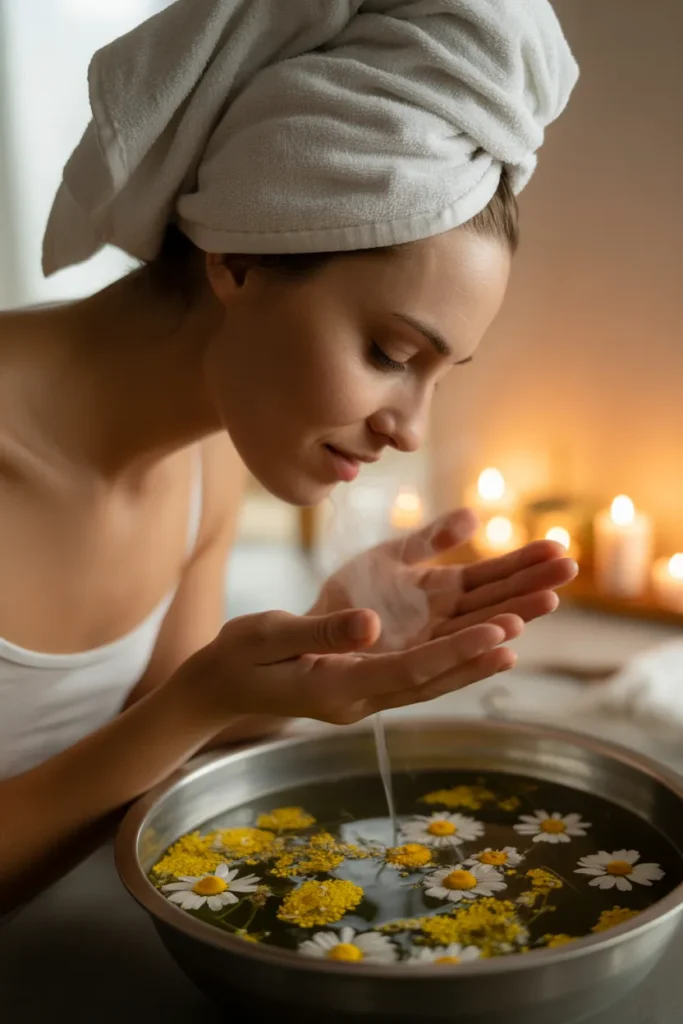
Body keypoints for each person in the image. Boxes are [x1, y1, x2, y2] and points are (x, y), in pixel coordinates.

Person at [0, 0, 579, 911]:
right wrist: (202, 700)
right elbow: (167, 724)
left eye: (440, 376)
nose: (409, 430)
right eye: (389, 353)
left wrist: (294, 666)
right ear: (238, 257)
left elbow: (138, 756)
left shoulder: (203, 467)